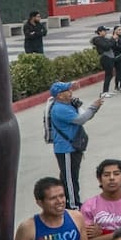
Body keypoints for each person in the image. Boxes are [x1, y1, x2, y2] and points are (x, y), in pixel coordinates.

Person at [14, 177, 92, 240]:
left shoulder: (76, 217)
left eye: (62, 196)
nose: (59, 201)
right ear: (40, 203)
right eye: (52, 198)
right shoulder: (28, 228)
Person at [47, 81, 102, 210]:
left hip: (72, 147)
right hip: (66, 149)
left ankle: (72, 201)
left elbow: (83, 116)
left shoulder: (67, 104)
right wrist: (93, 107)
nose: (70, 92)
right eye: (67, 90)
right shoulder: (60, 109)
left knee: (71, 177)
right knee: (70, 179)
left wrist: (93, 109)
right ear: (59, 95)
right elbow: (81, 119)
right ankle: (73, 205)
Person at [90, 26, 117, 97]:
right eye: (104, 31)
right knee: (108, 74)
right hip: (105, 58)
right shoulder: (97, 39)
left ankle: (106, 90)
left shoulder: (105, 39)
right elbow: (106, 46)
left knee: (110, 74)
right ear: (99, 32)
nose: (106, 32)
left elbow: (111, 45)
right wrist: (113, 40)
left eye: (106, 31)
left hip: (110, 57)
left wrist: (113, 41)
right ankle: (104, 92)